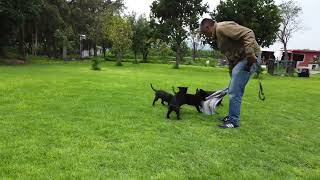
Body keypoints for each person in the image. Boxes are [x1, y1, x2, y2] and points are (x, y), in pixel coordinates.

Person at [200, 18, 261, 129]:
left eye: (204, 32)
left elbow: (248, 33)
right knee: (234, 89)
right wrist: (232, 73)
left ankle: (233, 121)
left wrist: (250, 54)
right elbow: (231, 55)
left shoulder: (222, 27)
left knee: (234, 91)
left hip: (249, 58)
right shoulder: (218, 36)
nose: (205, 35)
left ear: (208, 27)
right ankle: (232, 117)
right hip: (241, 60)